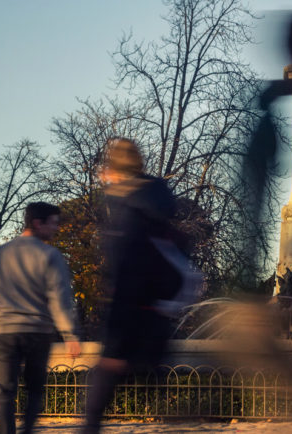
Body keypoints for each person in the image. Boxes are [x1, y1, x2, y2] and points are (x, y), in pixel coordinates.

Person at [81, 137, 199, 434]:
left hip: (129, 316)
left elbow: (124, 268)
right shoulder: (154, 198)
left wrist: (115, 331)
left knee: (93, 409)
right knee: (157, 395)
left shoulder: (126, 209)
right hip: (157, 316)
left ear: (113, 169)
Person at [0, 201, 81, 434]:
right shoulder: (51, 255)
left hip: (6, 331)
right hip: (38, 331)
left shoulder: (0, 254)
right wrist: (69, 333)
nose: (56, 228)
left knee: (3, 392)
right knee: (34, 390)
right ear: (37, 223)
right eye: (53, 223)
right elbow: (60, 298)